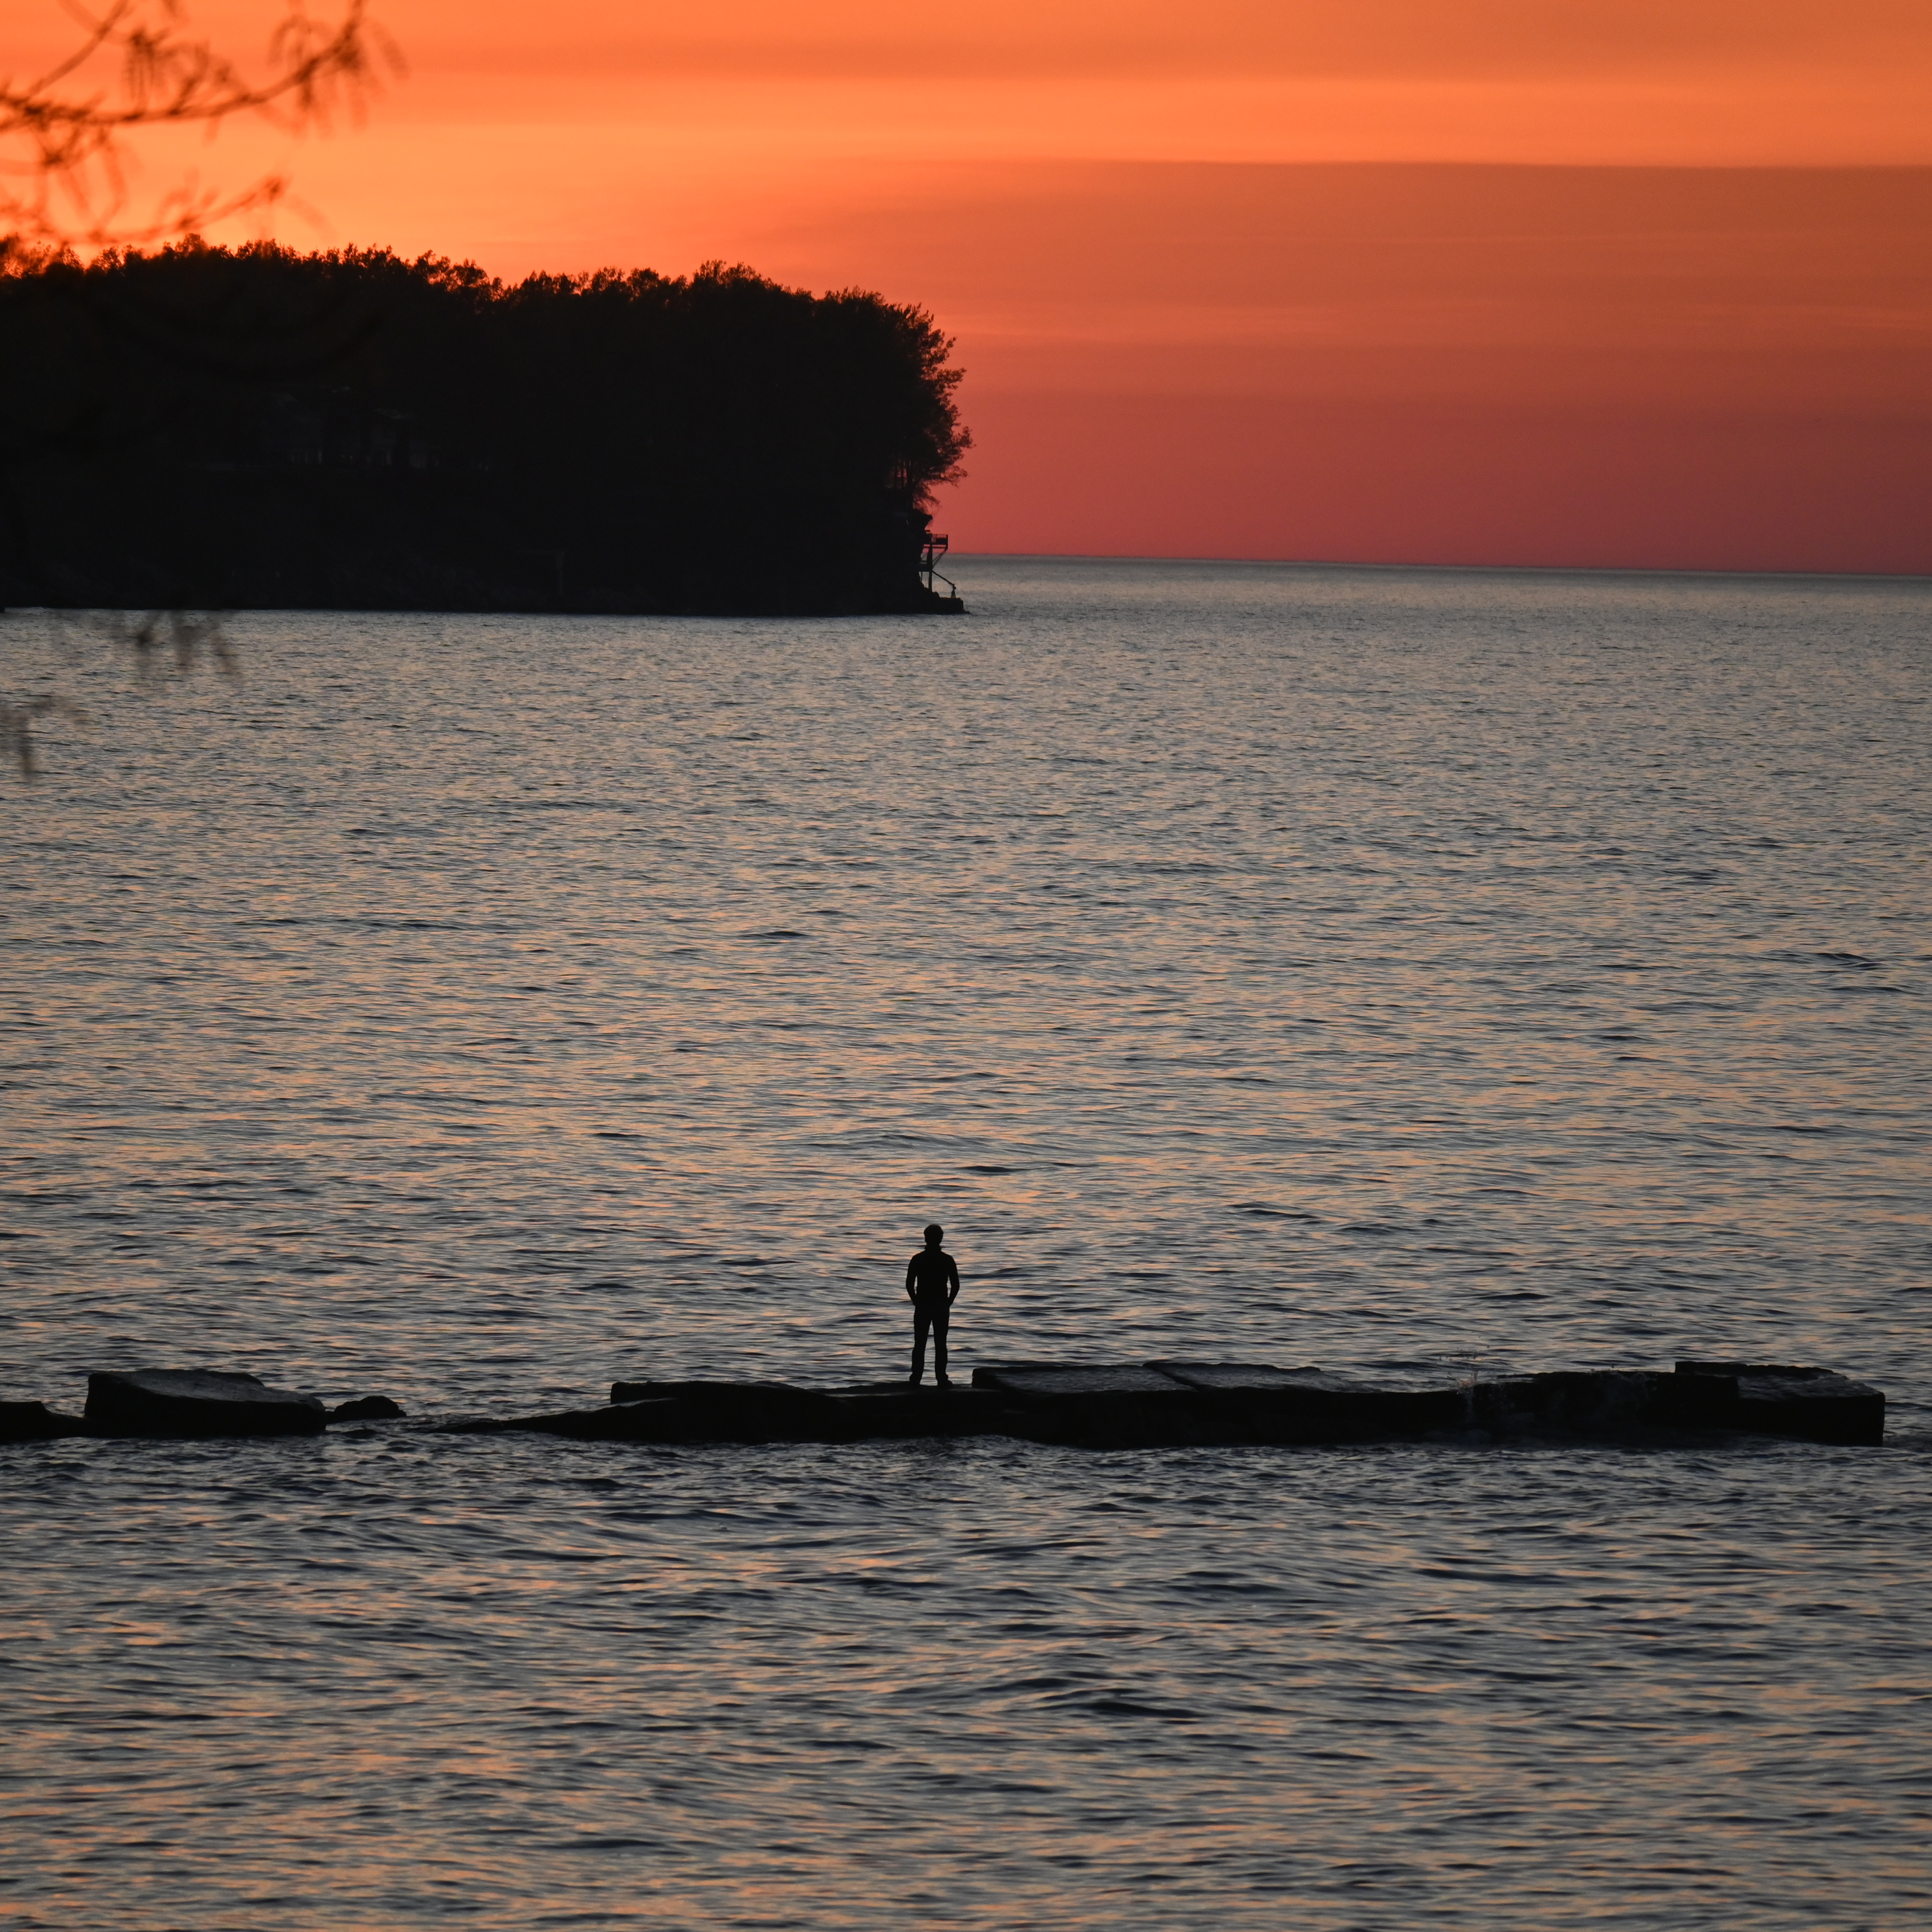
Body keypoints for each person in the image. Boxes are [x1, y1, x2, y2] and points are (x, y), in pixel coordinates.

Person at [905, 1223, 960, 1387]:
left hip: (923, 1305)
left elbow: (909, 1284)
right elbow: (956, 1285)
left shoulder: (918, 1259)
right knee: (941, 1344)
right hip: (940, 1306)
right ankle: (941, 1378)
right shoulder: (947, 1260)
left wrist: (915, 1300)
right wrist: (948, 1302)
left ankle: (916, 1378)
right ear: (941, 1239)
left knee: (920, 1343)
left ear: (926, 1238)